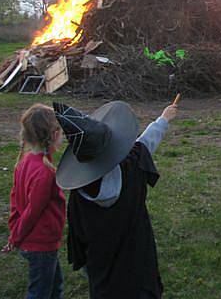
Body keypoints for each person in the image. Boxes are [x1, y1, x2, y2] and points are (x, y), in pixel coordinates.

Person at [53, 99, 177, 299]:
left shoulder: (79, 194)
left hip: (101, 275)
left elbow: (80, 239)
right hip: (137, 267)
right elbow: (145, 144)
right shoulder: (131, 169)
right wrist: (163, 119)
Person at [2, 104, 66, 299]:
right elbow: (32, 212)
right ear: (54, 135)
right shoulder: (45, 173)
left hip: (35, 243)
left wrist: (14, 231)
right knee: (40, 293)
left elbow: (15, 200)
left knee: (54, 287)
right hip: (40, 245)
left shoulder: (25, 161)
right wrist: (16, 238)